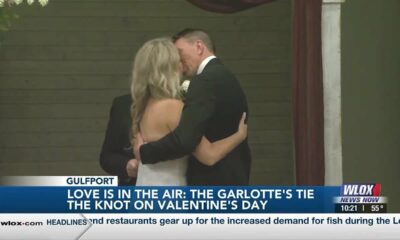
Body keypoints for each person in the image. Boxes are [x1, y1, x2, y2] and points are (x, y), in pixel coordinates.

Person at [134, 29, 252, 185]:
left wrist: (142, 152)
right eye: (176, 57)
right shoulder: (176, 104)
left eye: (180, 53)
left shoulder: (143, 105)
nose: (181, 62)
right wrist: (239, 136)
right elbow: (200, 150)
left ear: (199, 47)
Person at [99, 94, 138, 186]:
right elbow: (107, 157)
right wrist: (127, 165)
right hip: (133, 188)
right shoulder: (124, 104)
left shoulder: (177, 103)